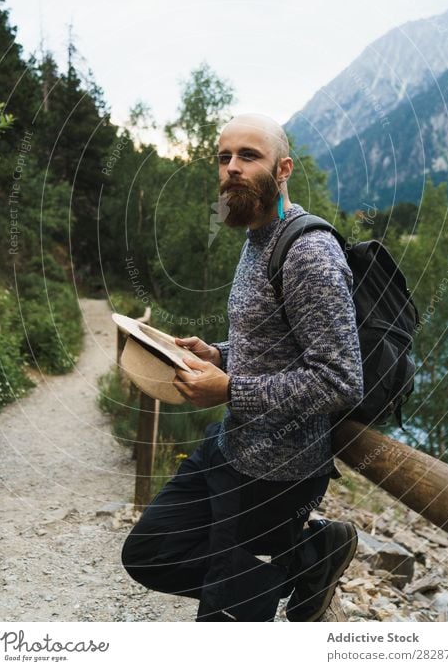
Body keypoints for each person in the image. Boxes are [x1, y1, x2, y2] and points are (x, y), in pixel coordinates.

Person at [121, 113, 364, 621]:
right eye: (224, 157)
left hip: (277, 472)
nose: (231, 167)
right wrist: (219, 354)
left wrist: (231, 388)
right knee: (147, 553)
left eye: (248, 156)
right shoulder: (256, 237)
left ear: (283, 169)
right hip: (230, 445)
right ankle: (306, 561)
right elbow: (273, 344)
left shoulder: (309, 253)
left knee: (227, 612)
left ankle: (268, 580)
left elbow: (341, 378)